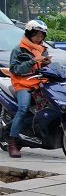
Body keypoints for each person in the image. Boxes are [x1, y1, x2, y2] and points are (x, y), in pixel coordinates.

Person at [7, 20, 52, 158]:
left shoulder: (42, 48)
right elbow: (15, 69)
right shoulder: (18, 49)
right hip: (22, 83)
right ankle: (12, 142)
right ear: (29, 34)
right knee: (23, 108)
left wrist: (45, 63)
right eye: (36, 35)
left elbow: (42, 66)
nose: (39, 38)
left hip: (38, 82)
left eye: (41, 36)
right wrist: (32, 61)